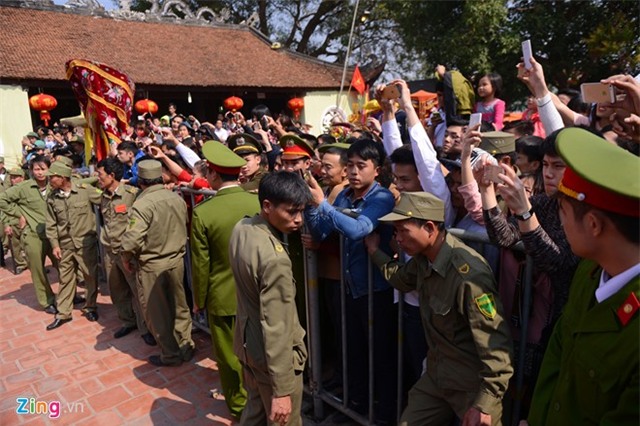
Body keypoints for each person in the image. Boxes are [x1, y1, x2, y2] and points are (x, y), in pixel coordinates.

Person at [364, 191, 514, 426]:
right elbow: (402, 279)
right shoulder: (425, 258)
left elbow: (496, 345)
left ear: (431, 228)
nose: (398, 239)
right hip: (438, 374)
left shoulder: (469, 276)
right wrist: (375, 253)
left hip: (471, 384)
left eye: (404, 231)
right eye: (396, 232)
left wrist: (485, 403)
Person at [526, 128, 639, 425]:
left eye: (563, 211)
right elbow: (557, 362)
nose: (559, 221)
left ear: (593, 225)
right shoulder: (589, 272)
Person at [305, 139, 397, 422]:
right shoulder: (344, 196)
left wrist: (324, 206)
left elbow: (359, 229)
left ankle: (384, 412)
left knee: (380, 355)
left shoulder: (381, 198)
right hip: (350, 287)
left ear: (377, 170)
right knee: (353, 350)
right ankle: (356, 405)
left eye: (361, 166)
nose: (354, 172)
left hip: (375, 290)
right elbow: (320, 231)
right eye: (351, 166)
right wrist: (312, 205)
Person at [229, 171, 310, 426]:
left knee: (254, 411)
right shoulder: (274, 260)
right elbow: (277, 328)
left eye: (302, 211)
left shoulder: (243, 227)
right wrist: (283, 390)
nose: (299, 220)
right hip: (271, 359)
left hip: (247, 345)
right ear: (267, 206)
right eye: (292, 212)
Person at [190, 141, 260, 419]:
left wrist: (199, 299)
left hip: (222, 296)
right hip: (257, 291)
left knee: (229, 358)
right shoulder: (256, 202)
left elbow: (200, 264)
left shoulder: (204, 212)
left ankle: (239, 407)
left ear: (214, 175)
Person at [120, 160, 195, 366]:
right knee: (180, 307)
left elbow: (132, 239)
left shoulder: (142, 204)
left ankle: (170, 354)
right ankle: (186, 345)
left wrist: (126, 257)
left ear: (141, 182)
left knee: (158, 312)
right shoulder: (176, 197)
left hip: (153, 264)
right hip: (177, 259)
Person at [95, 158, 154, 345]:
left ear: (112, 176)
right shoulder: (102, 196)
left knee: (138, 291)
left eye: (100, 174)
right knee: (117, 290)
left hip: (126, 251)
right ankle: (128, 321)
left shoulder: (132, 194)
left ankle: (145, 327)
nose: (97, 178)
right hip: (109, 250)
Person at [44, 162, 100, 330]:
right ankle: (63, 313)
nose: (50, 180)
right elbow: (51, 224)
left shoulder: (84, 190)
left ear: (63, 178)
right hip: (65, 244)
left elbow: (105, 199)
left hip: (86, 243)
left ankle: (90, 306)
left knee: (90, 276)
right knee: (65, 278)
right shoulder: (52, 197)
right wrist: (54, 245)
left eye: (52, 177)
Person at [0, 155, 57, 313]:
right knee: (38, 269)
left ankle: (68, 296)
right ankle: (47, 301)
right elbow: (2, 200)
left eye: (42, 169)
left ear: (49, 169)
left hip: (54, 235)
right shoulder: (23, 188)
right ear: (31, 171)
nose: (39, 173)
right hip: (33, 235)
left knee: (63, 266)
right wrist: (19, 214)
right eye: (36, 169)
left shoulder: (54, 184)